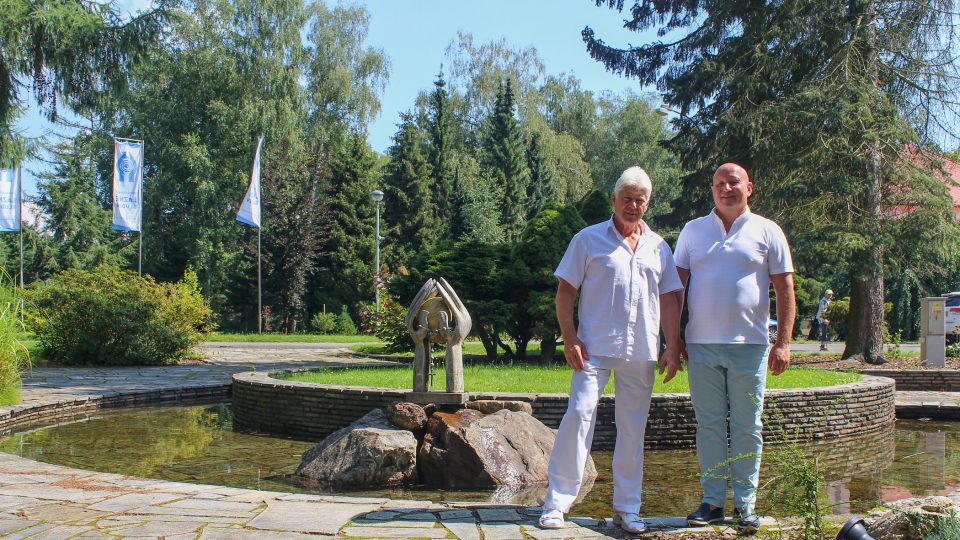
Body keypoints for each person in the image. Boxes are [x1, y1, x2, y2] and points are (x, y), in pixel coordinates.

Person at [539, 166, 683, 534]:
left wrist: (672, 345)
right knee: (579, 413)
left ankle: (627, 508)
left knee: (633, 428)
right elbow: (565, 292)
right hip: (592, 348)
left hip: (642, 348)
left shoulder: (658, 246)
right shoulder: (588, 239)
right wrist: (569, 338)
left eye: (640, 200)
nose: (633, 206)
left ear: (647, 203)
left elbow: (669, 298)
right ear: (614, 200)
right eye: (627, 198)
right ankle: (557, 502)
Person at [674, 163, 795, 534]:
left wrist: (784, 343)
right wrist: (672, 338)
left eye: (734, 183)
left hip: (751, 346)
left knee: (747, 426)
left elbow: (784, 289)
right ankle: (711, 502)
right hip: (701, 346)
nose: (726, 189)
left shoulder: (767, 230)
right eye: (719, 184)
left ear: (749, 187)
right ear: (712, 190)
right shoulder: (693, 231)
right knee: (709, 426)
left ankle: (745, 505)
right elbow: (675, 291)